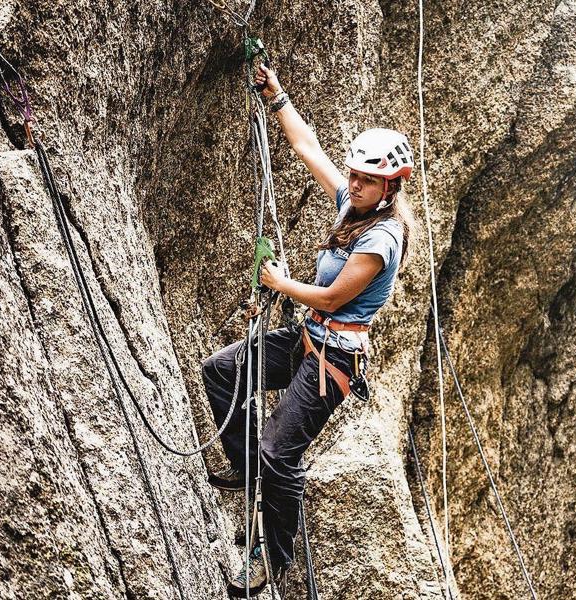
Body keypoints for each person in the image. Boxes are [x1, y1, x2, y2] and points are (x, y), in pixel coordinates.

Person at [200, 63, 417, 597]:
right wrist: (277, 97)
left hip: (333, 360)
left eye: (367, 180)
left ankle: (273, 558)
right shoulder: (354, 204)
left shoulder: (382, 239)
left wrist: (279, 281)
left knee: (281, 451)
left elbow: (330, 297)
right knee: (221, 371)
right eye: (356, 176)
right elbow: (306, 148)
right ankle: (252, 477)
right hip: (306, 341)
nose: (355, 184)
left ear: (389, 186)